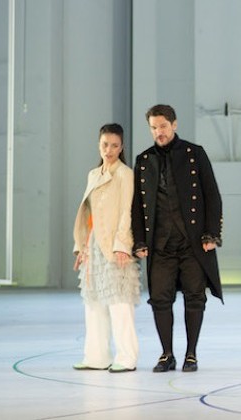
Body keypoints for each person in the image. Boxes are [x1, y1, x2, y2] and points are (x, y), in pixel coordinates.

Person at [132, 104, 224, 372]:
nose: (158, 132)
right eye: (153, 127)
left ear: (174, 124)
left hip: (193, 242)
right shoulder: (144, 160)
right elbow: (138, 205)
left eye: (162, 126)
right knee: (160, 298)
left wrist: (212, 234)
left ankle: (191, 354)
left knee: (195, 297)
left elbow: (212, 195)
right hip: (160, 244)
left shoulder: (194, 154)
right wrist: (139, 240)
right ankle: (167, 354)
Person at [72, 123, 141, 373]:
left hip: (115, 246)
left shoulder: (125, 174)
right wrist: (81, 247)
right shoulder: (93, 174)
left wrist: (122, 245)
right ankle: (96, 356)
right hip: (93, 246)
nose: (109, 150)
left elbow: (127, 212)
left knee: (120, 302)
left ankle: (127, 357)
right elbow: (87, 214)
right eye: (104, 145)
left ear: (121, 147)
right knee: (94, 303)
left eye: (114, 145)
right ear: (98, 144)